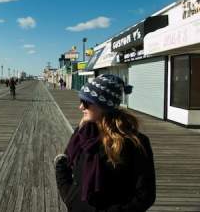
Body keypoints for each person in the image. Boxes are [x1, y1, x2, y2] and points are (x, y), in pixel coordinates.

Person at [54, 74, 156, 212]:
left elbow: (145, 195)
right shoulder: (83, 132)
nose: (80, 107)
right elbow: (65, 163)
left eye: (85, 102)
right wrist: (70, 197)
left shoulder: (135, 143)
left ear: (103, 105)